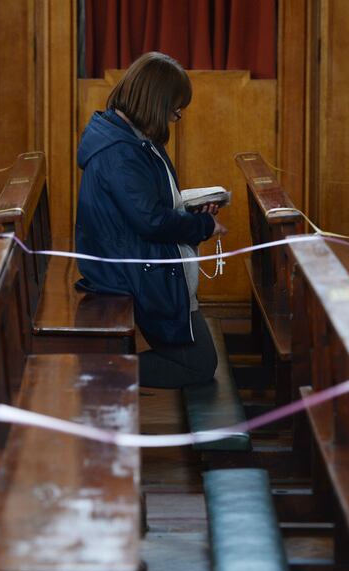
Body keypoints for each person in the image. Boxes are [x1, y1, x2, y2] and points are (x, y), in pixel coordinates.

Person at [75, 51, 227, 388]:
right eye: (175, 108)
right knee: (199, 366)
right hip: (129, 269)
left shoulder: (130, 137)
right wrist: (203, 226)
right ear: (155, 103)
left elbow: (145, 207)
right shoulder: (120, 151)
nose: (177, 116)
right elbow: (151, 222)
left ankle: (105, 370)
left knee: (202, 360)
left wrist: (188, 211)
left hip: (139, 260)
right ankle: (99, 373)